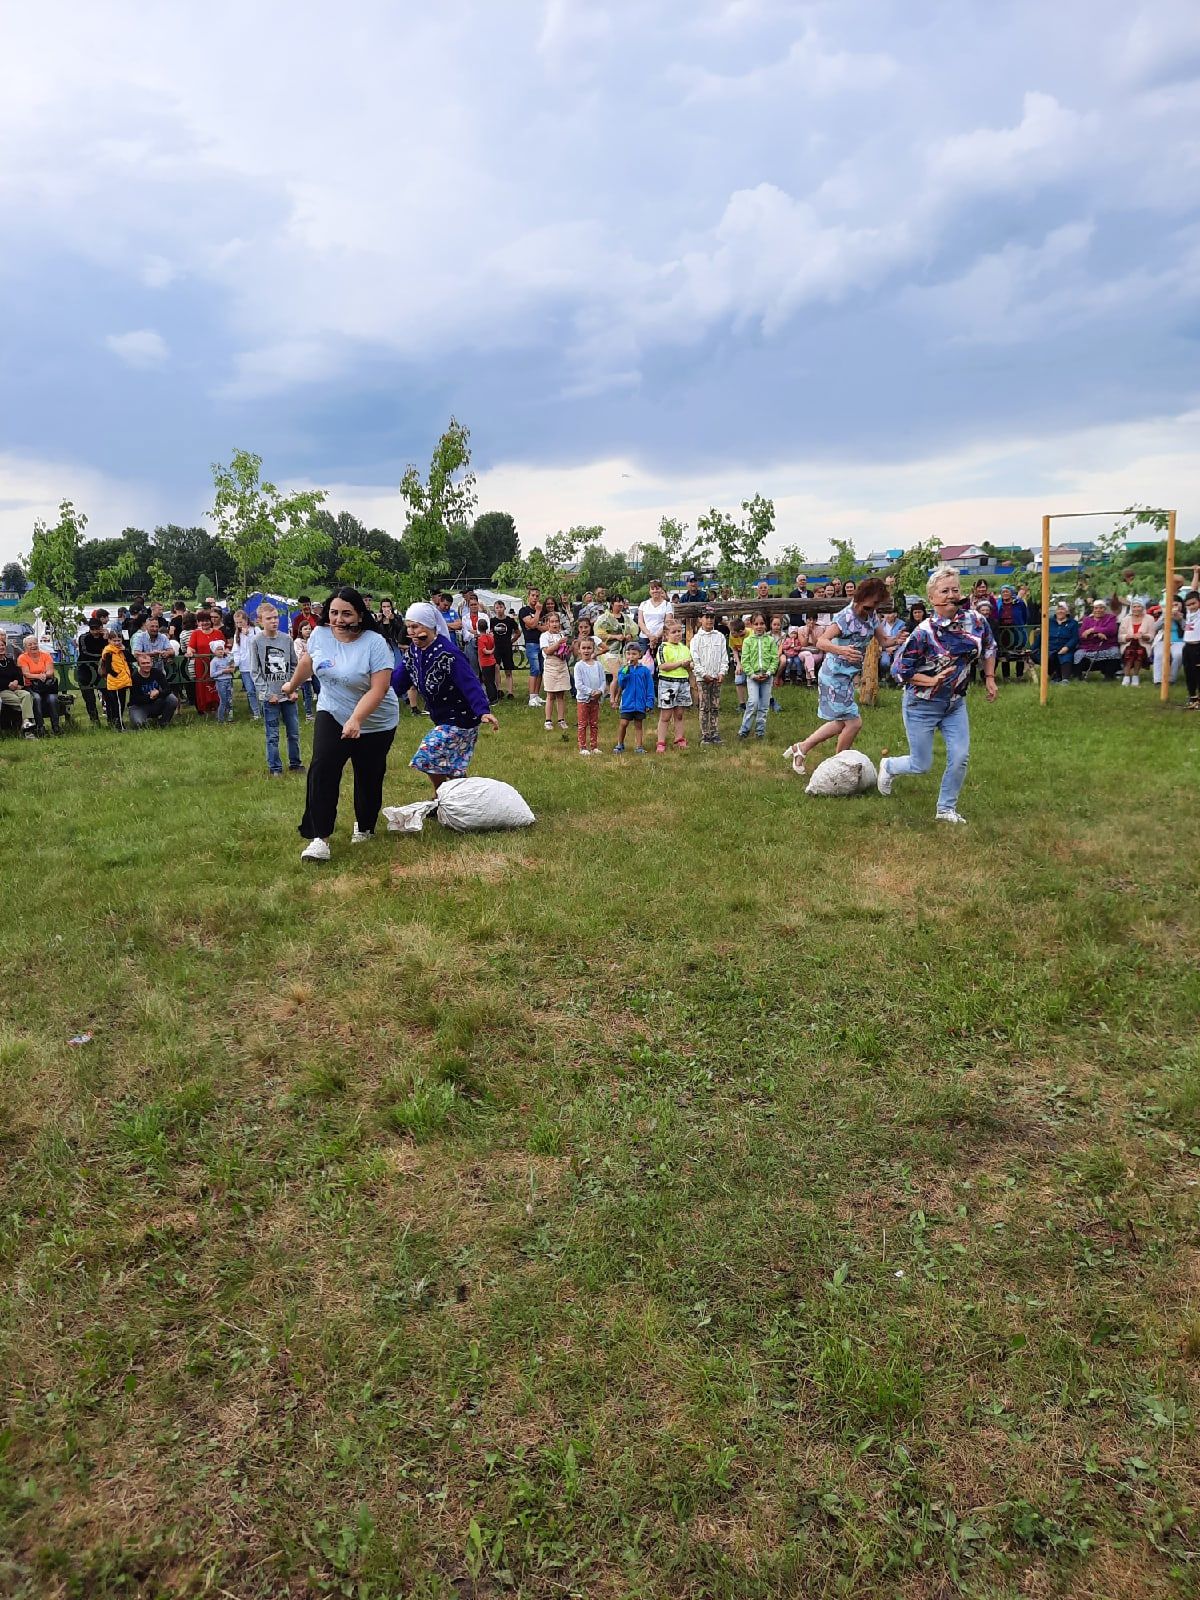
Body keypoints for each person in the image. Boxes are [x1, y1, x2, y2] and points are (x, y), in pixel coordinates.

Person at [284, 587, 398, 860]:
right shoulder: (320, 635)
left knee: (368, 775)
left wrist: (357, 718)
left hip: (375, 720)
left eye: (346, 613)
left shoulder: (375, 643)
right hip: (332, 711)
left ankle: (365, 826)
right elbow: (308, 662)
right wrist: (292, 684)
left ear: (360, 614)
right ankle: (319, 838)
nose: (338, 619)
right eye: (333, 612)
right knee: (322, 768)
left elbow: (379, 689)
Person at [877, 565, 998, 825]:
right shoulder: (923, 633)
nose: (951, 595)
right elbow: (899, 671)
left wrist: (989, 677)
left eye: (955, 589)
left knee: (960, 756)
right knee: (921, 764)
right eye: (944, 591)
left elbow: (989, 647)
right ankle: (888, 766)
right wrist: (931, 680)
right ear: (932, 598)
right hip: (922, 705)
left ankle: (945, 808)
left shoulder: (976, 621)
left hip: (955, 703)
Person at [390, 602, 498, 791]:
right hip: (441, 718)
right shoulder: (414, 651)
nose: (411, 632)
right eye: (408, 627)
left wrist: (483, 711)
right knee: (453, 770)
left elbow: (470, 683)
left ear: (430, 625)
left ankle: (442, 796)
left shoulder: (449, 654)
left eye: (415, 626)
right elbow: (399, 678)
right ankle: (460, 797)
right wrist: (379, 691)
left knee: (428, 753)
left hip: (462, 718)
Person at [789, 578, 891, 772]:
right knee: (853, 723)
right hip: (833, 675)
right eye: (871, 604)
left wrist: (902, 638)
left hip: (846, 676)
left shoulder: (872, 615)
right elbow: (821, 642)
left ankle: (801, 748)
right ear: (861, 598)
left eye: (877, 604)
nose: (873, 609)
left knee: (840, 723)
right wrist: (842, 650)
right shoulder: (845, 617)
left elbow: (884, 642)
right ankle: (837, 766)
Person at [250, 604, 304, 776]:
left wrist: (294, 688)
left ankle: (295, 764)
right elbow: (255, 671)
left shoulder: (286, 639)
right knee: (272, 735)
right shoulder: (257, 641)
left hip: (289, 695)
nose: (273, 621)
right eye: (269, 618)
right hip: (271, 697)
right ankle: (275, 768)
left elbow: (295, 665)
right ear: (260, 621)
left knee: (293, 733)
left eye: (275, 617)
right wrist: (267, 693)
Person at [690, 607, 729, 745]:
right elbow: (695, 660)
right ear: (700, 619)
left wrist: (722, 672)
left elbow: (724, 657)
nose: (709, 620)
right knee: (704, 706)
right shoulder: (696, 639)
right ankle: (705, 734)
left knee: (715, 706)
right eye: (706, 617)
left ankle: (714, 732)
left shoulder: (719, 636)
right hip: (703, 678)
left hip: (716, 677)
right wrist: (703, 674)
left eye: (712, 617)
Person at [737, 613, 779, 740]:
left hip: (767, 677)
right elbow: (745, 660)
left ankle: (760, 732)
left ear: (766, 625)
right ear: (751, 625)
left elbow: (775, 658)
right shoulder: (748, 641)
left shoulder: (770, 640)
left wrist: (769, 672)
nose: (759, 626)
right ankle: (744, 730)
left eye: (762, 624)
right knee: (753, 702)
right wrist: (752, 674)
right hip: (753, 677)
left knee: (764, 705)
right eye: (756, 624)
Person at [655, 618, 693, 752]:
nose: (677, 634)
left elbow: (688, 665)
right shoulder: (663, 648)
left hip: (683, 683)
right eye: (674, 632)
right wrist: (680, 664)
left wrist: (690, 665)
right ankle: (661, 741)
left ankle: (679, 738)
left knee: (679, 714)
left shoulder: (684, 648)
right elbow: (663, 666)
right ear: (666, 634)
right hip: (668, 684)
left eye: (679, 631)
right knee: (665, 714)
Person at [613, 641, 654, 754]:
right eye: (629, 654)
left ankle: (639, 746)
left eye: (634, 654)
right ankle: (620, 744)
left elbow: (649, 688)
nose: (631, 656)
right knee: (623, 723)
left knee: (638, 724)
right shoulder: (624, 670)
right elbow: (621, 683)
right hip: (627, 702)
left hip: (640, 703)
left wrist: (649, 703)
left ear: (639, 655)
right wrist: (625, 672)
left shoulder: (644, 671)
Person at [17, 635, 62, 734]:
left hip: (47, 686)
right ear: (25, 647)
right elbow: (26, 674)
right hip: (31, 686)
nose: (33, 646)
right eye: (30, 644)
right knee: (36, 698)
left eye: (35, 643)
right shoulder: (22, 658)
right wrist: (39, 676)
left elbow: (50, 671)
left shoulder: (46, 655)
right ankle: (40, 727)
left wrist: (44, 676)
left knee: (53, 699)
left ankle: (56, 727)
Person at [597, 597, 637, 699]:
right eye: (617, 602)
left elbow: (634, 630)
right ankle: (612, 699)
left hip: (623, 652)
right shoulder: (604, 618)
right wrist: (614, 637)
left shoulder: (626, 618)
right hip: (610, 652)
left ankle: (619, 697)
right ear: (612, 603)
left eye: (621, 602)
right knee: (616, 676)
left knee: (623, 676)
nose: (620, 604)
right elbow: (599, 633)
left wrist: (630, 636)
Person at [538, 610, 571, 731]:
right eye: (552, 622)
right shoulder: (544, 636)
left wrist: (566, 650)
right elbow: (547, 651)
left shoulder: (561, 635)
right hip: (550, 666)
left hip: (561, 665)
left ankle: (561, 719)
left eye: (556, 621)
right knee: (550, 694)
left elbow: (564, 650)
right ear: (547, 624)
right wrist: (558, 644)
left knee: (561, 694)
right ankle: (548, 720)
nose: (555, 624)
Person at [188, 609, 225, 714]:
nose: (205, 623)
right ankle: (204, 708)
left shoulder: (218, 633)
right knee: (202, 685)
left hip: (217, 664)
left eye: (207, 620)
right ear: (198, 622)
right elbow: (191, 647)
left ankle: (219, 706)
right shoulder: (196, 633)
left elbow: (225, 647)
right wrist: (190, 652)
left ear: (211, 621)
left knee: (217, 683)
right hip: (201, 665)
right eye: (201, 621)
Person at [128, 653, 179, 728]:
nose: (146, 665)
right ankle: (145, 720)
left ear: (151, 663)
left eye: (148, 663)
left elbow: (168, 689)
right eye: (143, 663)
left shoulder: (157, 672)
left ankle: (163, 723)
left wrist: (158, 693)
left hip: (156, 702)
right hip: (139, 706)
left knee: (172, 699)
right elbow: (135, 699)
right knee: (139, 724)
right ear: (138, 664)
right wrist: (150, 696)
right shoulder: (134, 677)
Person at [573, 636, 605, 755]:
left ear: (593, 649)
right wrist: (591, 692)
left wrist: (600, 691)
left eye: (589, 648)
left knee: (594, 723)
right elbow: (579, 684)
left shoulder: (598, 665)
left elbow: (603, 681)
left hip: (595, 700)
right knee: (582, 723)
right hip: (583, 699)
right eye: (584, 648)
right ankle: (582, 746)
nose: (586, 650)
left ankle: (594, 746)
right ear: (579, 650)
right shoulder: (579, 666)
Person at [0, 633, 37, 736]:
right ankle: (28, 730)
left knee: (27, 695)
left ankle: (25, 723)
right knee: (23, 703)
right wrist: (8, 684)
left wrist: (16, 681)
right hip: (2, 691)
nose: (1, 647)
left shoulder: (10, 661)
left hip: (15, 688)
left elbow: (18, 675)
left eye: (2, 645)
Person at [1075, 599, 1121, 679]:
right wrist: (1097, 634)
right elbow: (1082, 634)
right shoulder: (1087, 620)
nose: (1098, 610)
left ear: (1105, 609)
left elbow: (1111, 630)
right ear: (1093, 609)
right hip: (1089, 646)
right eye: (1096, 608)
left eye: (1101, 608)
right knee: (1078, 654)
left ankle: (1109, 676)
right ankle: (1078, 676)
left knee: (1114, 652)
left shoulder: (1111, 618)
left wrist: (1092, 630)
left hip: (1106, 644)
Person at [75, 613, 108, 724]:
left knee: (108, 693)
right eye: (92, 629)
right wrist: (101, 657)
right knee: (89, 697)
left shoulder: (105, 638)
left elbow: (109, 650)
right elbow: (84, 653)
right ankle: (94, 720)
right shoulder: (84, 637)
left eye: (97, 628)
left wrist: (105, 639)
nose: (95, 631)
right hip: (85, 669)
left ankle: (112, 718)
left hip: (101, 669)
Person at [992, 585, 1029, 680]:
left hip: (1017, 630)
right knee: (1005, 653)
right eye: (1003, 592)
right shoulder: (998, 603)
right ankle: (1006, 676)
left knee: (1019, 652)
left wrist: (1020, 624)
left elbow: (1025, 616)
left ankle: (1019, 675)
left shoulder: (1019, 603)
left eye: (1007, 592)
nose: (1005, 594)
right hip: (1003, 631)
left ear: (1011, 592)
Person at [231, 609, 262, 719]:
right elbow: (236, 650)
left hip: (256, 665)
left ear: (246, 620)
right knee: (250, 690)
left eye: (241, 622)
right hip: (244, 667)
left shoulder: (255, 630)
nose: (239, 625)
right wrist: (236, 663)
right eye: (237, 623)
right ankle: (256, 713)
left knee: (259, 689)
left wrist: (248, 634)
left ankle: (264, 710)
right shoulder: (237, 635)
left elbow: (258, 643)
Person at [1118, 601, 1156, 687]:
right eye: (1134, 607)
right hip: (1128, 643)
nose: (1136, 609)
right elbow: (1120, 636)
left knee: (1139, 651)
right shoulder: (1125, 619)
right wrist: (1128, 637)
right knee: (1129, 652)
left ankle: (1135, 676)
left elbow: (1152, 636)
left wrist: (1143, 636)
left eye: (1139, 606)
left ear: (1143, 608)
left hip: (1143, 644)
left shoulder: (1149, 618)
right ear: (1131, 608)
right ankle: (1126, 677)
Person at [99, 628, 132, 730]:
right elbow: (108, 667)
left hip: (122, 681)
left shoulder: (120, 651)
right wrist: (116, 675)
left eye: (119, 640)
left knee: (121, 704)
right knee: (117, 705)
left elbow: (131, 658)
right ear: (109, 641)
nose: (117, 643)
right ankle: (120, 726)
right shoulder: (109, 652)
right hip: (115, 681)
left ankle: (118, 723)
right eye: (114, 641)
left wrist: (124, 649)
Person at [518, 589, 546, 707]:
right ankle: (531, 697)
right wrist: (537, 613)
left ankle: (536, 695)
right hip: (531, 643)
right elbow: (532, 624)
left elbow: (546, 627)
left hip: (543, 642)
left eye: (537, 596)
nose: (535, 598)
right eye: (533, 595)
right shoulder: (524, 611)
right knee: (534, 669)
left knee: (541, 669)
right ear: (528, 597)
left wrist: (535, 624)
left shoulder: (543, 611)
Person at [490, 601, 519, 700]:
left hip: (507, 647)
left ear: (504, 608)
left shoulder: (509, 620)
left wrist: (512, 641)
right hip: (496, 647)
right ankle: (499, 689)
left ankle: (510, 692)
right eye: (497, 608)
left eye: (501, 607)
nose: (499, 609)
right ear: (494, 609)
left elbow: (517, 632)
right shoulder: (492, 621)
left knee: (508, 670)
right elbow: (489, 633)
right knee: (496, 667)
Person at [1153, 598, 1185, 687]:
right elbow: (1155, 627)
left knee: (1178, 655)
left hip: (1179, 640)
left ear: (1181, 605)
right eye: (1172, 605)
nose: (1175, 607)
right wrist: (1165, 617)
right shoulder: (1164, 614)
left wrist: (1180, 619)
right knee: (1159, 654)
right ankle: (1158, 681)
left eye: (1176, 605)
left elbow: (1187, 629)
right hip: (1163, 640)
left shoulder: (1185, 615)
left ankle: (1171, 679)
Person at [636, 580, 672, 657]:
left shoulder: (667, 605)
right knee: (644, 662)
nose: (655, 591)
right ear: (649, 591)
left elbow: (667, 623)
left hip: (661, 639)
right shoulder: (644, 604)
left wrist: (656, 636)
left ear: (661, 589)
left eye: (657, 588)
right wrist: (649, 635)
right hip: (644, 638)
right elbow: (640, 622)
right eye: (652, 589)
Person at [1047, 602, 1078, 683]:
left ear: (1067, 612)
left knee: (1066, 656)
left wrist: (1067, 647)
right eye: (1058, 609)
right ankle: (1055, 676)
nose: (1060, 611)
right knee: (1046, 656)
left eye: (1063, 609)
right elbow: (1041, 636)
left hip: (1066, 647)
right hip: (1051, 647)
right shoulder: (1049, 622)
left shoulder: (1073, 623)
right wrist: (1032, 649)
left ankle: (1065, 679)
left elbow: (1075, 638)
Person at [294, 619, 317, 719]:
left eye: (309, 629)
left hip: (314, 668)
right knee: (307, 693)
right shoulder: (298, 642)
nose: (308, 631)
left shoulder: (312, 641)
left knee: (319, 688)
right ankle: (308, 713)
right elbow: (299, 655)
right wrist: (309, 654)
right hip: (304, 670)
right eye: (305, 629)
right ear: (300, 630)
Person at [208, 637, 236, 721]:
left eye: (221, 649)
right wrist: (223, 671)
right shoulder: (214, 661)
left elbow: (232, 664)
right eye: (218, 649)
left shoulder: (227, 659)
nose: (220, 651)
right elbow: (212, 674)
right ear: (214, 651)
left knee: (229, 700)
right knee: (223, 700)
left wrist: (230, 655)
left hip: (229, 681)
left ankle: (230, 718)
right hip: (221, 682)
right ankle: (221, 718)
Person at [728, 612, 748, 714]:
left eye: (733, 632)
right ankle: (742, 704)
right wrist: (738, 664)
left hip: (751, 659)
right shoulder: (732, 635)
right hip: (740, 658)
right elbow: (734, 649)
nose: (731, 634)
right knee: (738, 680)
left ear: (740, 632)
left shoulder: (751, 634)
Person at [1184, 591, 1200, 710]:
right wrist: (1195, 572)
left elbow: (1195, 589)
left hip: (1198, 646)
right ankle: (1192, 697)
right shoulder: (1189, 613)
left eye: (1193, 603)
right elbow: (1192, 590)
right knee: (1189, 673)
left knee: (1198, 673)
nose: (1191, 606)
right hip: (1187, 646)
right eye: (1188, 605)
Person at [476, 615, 498, 703]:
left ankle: (492, 699)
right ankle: (495, 696)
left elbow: (484, 650)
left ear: (478, 628)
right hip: (492, 661)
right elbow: (494, 645)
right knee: (492, 680)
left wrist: (491, 651)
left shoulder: (481, 639)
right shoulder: (490, 637)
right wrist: (493, 650)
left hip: (485, 663)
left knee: (487, 681)